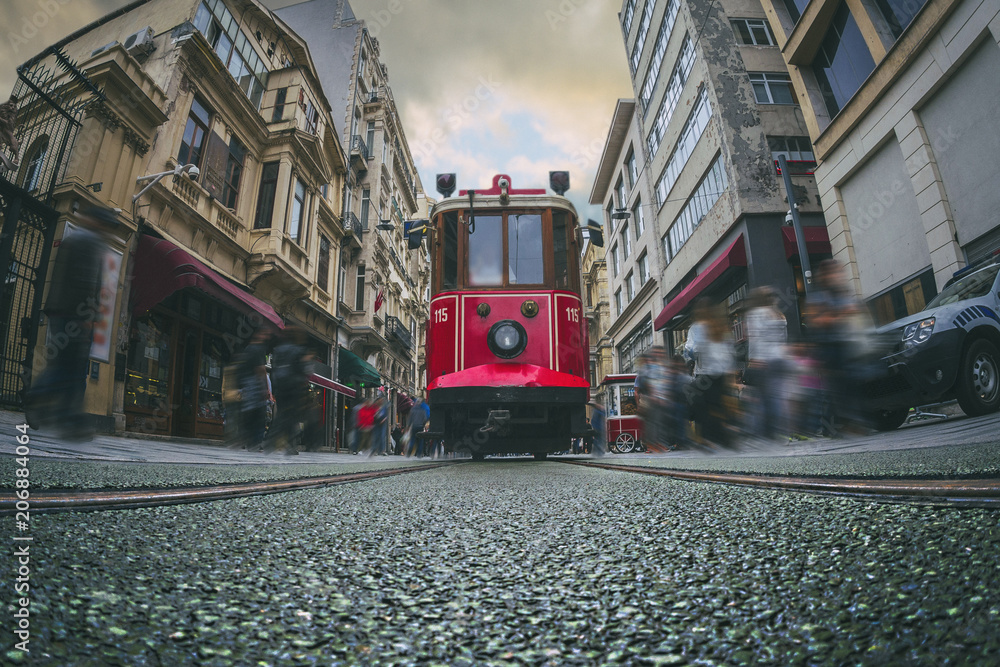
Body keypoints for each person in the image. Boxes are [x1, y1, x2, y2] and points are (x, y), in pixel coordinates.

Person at [26, 207, 118, 439]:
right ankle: (46, 401)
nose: (107, 230)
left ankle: (65, 417)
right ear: (99, 223)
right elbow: (84, 281)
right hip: (74, 316)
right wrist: (86, 316)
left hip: (62, 311)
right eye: (106, 225)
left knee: (65, 364)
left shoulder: (75, 238)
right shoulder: (88, 242)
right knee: (72, 368)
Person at [684, 299, 736, 448]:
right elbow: (728, 351)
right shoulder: (720, 328)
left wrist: (696, 351)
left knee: (707, 406)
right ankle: (719, 437)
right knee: (716, 405)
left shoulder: (697, 328)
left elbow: (690, 351)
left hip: (706, 374)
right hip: (718, 373)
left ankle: (711, 438)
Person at [745, 287, 789, 440]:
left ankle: (762, 433)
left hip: (764, 359)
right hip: (779, 358)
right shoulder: (779, 315)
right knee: (776, 396)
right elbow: (784, 338)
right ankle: (775, 430)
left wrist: (754, 359)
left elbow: (755, 338)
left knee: (761, 399)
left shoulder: (755, 314)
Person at [268, 326, 310, 455]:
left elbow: (273, 369)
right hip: (294, 388)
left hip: (280, 387)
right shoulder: (299, 350)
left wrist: (274, 389)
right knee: (292, 416)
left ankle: (272, 439)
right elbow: (303, 370)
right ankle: (289, 445)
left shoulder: (278, 350)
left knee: (281, 414)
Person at [234, 329, 271, 451]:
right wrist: (265, 389)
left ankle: (244, 439)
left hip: (246, 384)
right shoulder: (259, 349)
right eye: (264, 334)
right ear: (258, 335)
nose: (266, 336)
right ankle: (255, 442)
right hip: (255, 384)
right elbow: (261, 369)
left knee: (248, 412)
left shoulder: (248, 349)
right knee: (259, 415)